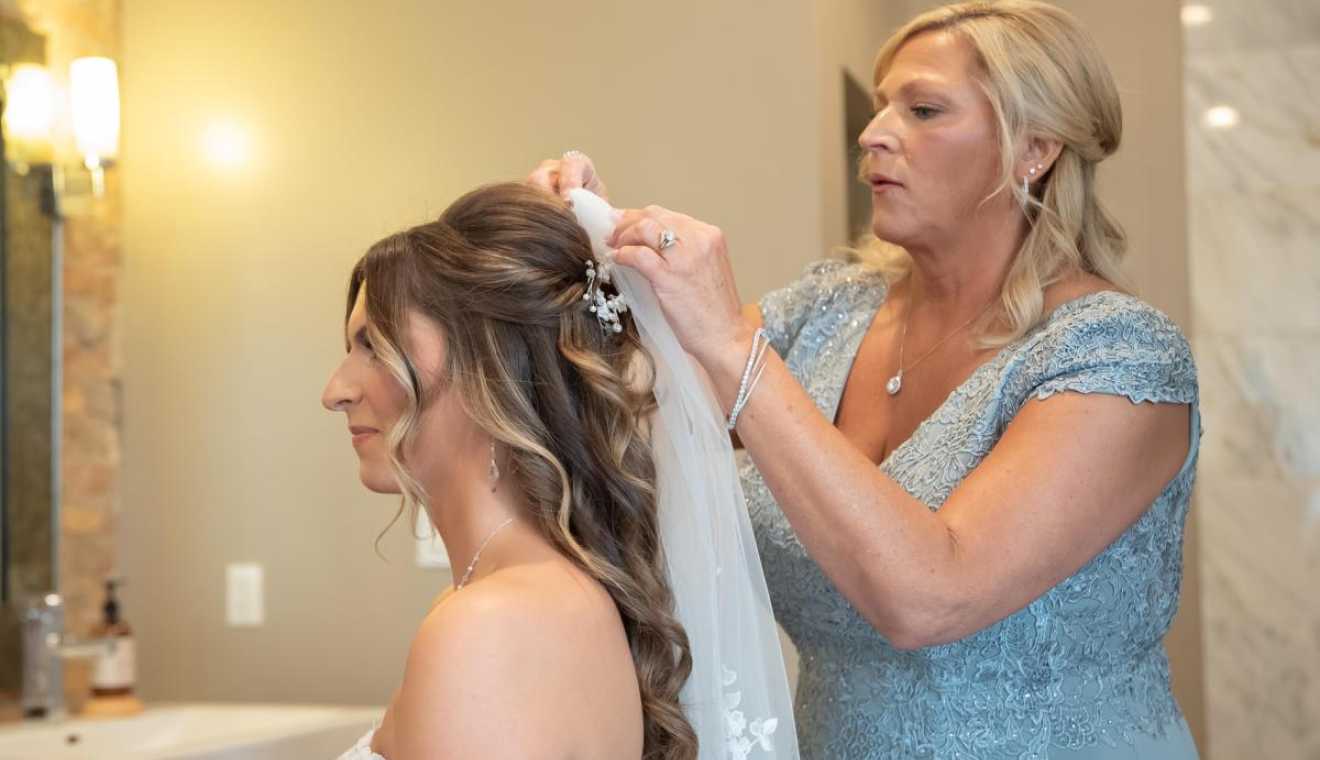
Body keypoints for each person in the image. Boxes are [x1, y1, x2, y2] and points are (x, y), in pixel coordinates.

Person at [531, 2, 1202, 758]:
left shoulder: (1118, 355)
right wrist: (579, 239)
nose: (873, 132)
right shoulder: (827, 311)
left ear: (1034, 149)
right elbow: (618, 405)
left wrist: (730, 346)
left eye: (922, 110)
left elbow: (930, 597)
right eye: (881, 106)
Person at [323, 182, 797, 760]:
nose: (336, 391)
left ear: (487, 367)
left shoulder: (489, 626)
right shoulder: (530, 597)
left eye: (375, 345)